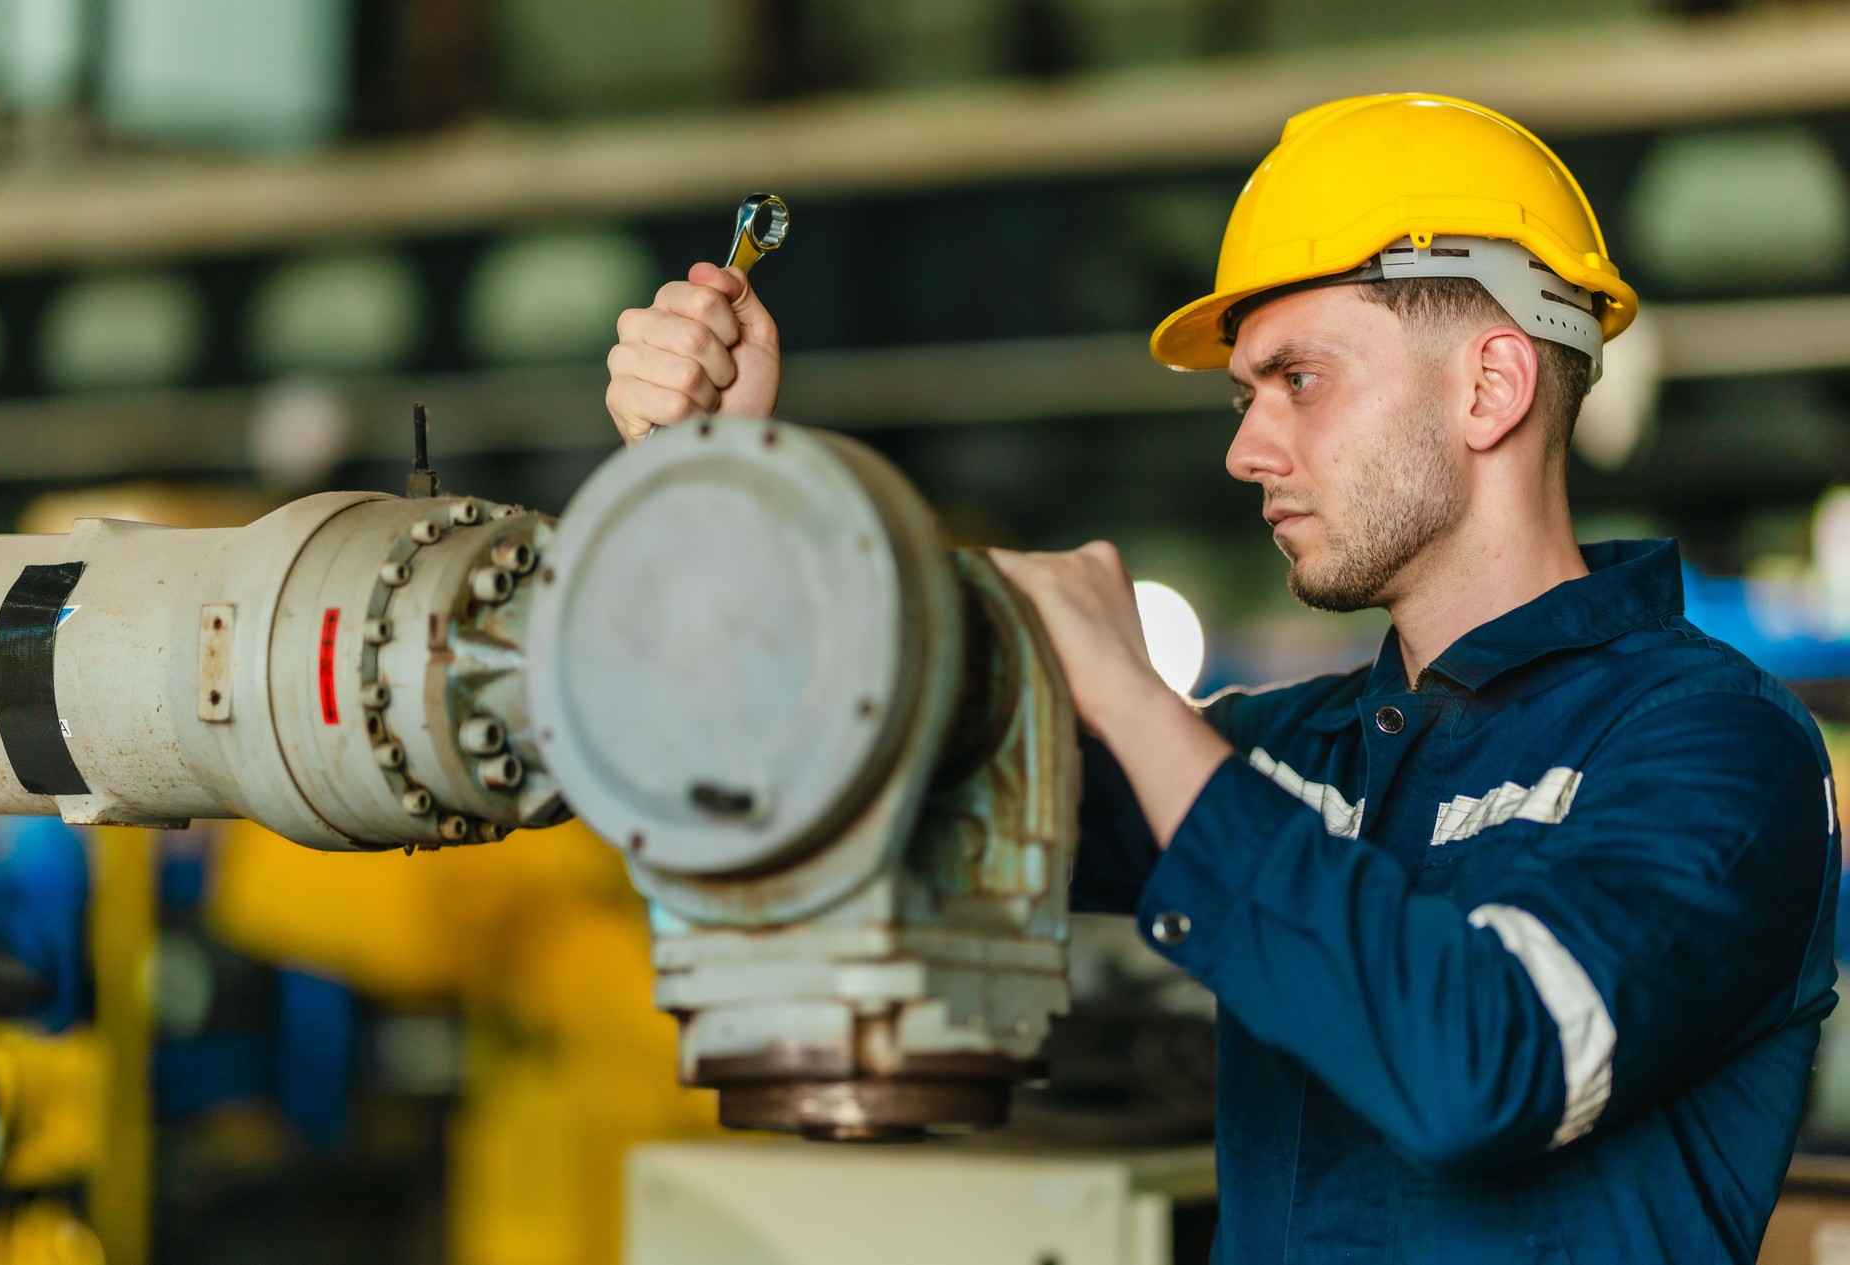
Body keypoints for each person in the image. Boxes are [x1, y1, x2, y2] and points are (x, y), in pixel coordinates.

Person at [603, 93, 1840, 1262]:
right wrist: (729, 487)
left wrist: (1137, 704)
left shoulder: (1713, 751)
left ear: (1490, 386)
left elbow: (1488, 1066)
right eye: (1248, 396)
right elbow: (854, 769)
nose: (1247, 449)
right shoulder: (1294, 758)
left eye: (1299, 380)